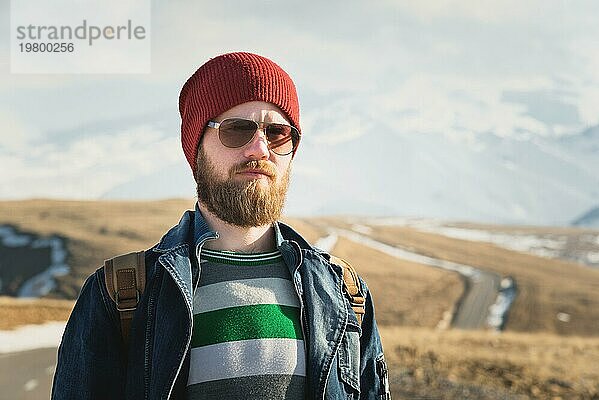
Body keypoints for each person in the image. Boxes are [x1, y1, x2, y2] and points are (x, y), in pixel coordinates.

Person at [52, 52, 390, 400]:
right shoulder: (121, 295)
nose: (260, 148)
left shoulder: (344, 294)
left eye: (278, 133)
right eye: (237, 130)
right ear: (196, 149)